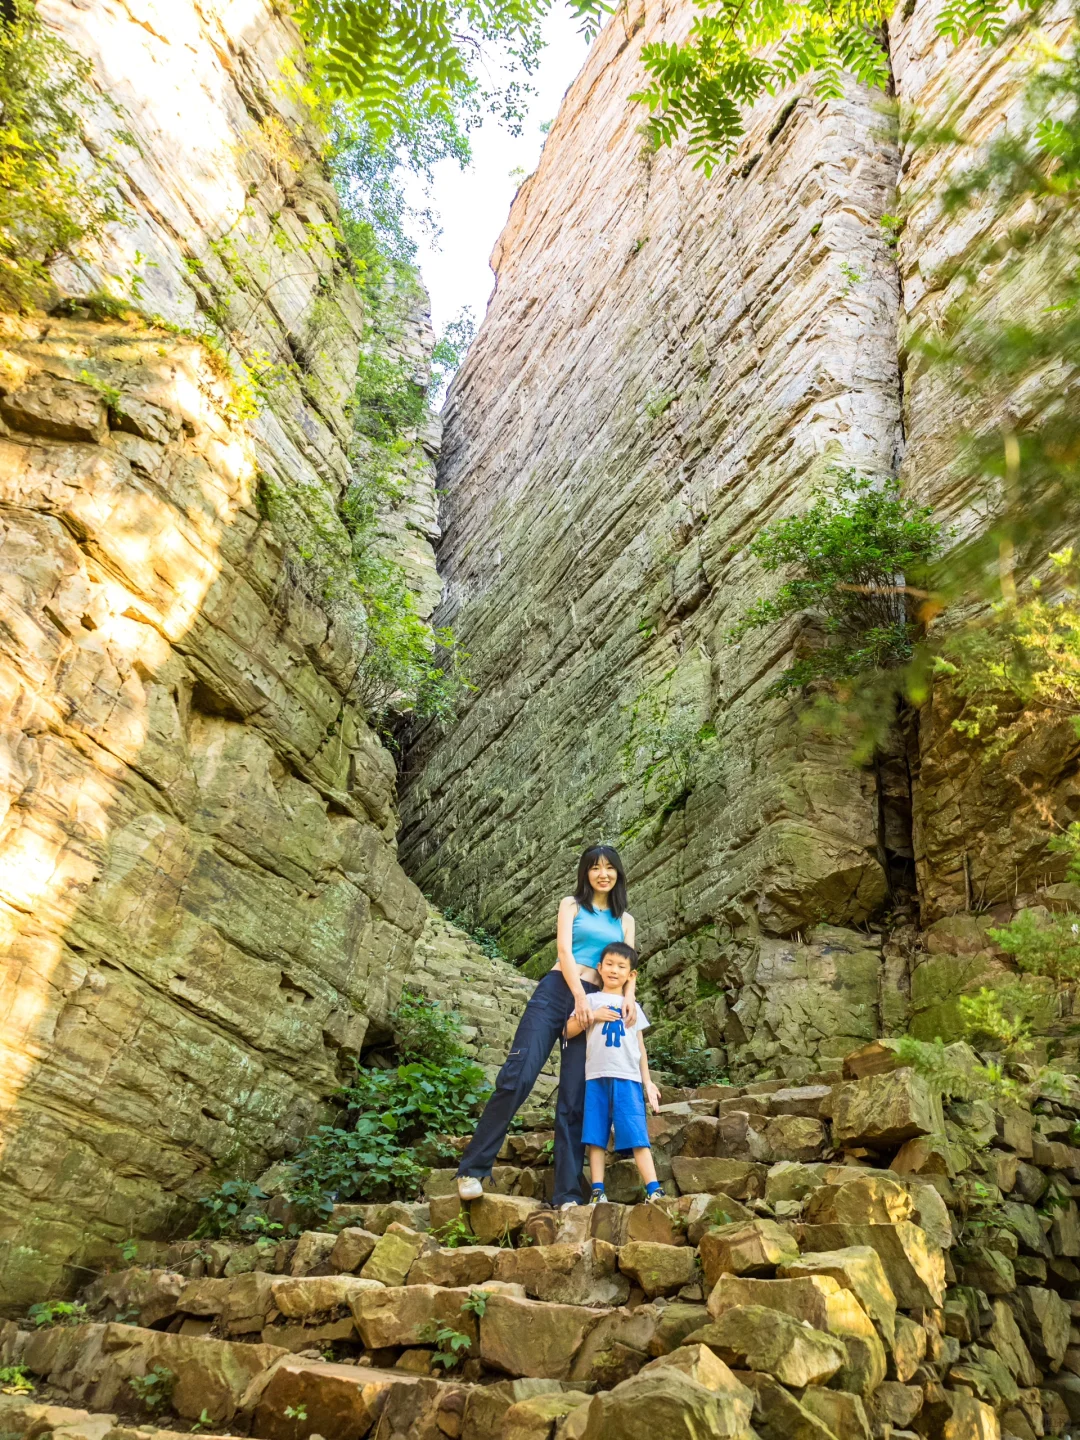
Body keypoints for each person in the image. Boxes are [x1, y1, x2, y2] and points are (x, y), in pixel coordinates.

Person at [456, 845, 637, 1209]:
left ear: (618, 873)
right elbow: (566, 952)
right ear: (585, 872)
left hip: (597, 1005)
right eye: (595, 867)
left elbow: (629, 964)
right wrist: (579, 997)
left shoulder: (625, 919)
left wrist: (628, 997)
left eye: (609, 868)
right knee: (518, 1074)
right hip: (557, 992)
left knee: (574, 1097)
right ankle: (472, 1170)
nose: (603, 874)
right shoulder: (571, 904)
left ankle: (567, 1193)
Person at [564, 941, 664, 1204]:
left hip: (628, 1077)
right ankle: (598, 1190)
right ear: (599, 967)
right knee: (595, 1135)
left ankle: (654, 1189)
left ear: (631, 975)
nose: (614, 970)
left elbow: (639, 1046)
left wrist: (648, 1082)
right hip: (595, 1076)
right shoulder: (590, 1000)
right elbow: (568, 1030)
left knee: (637, 1132)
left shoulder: (632, 1006)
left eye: (621, 966)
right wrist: (593, 1015)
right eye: (609, 964)